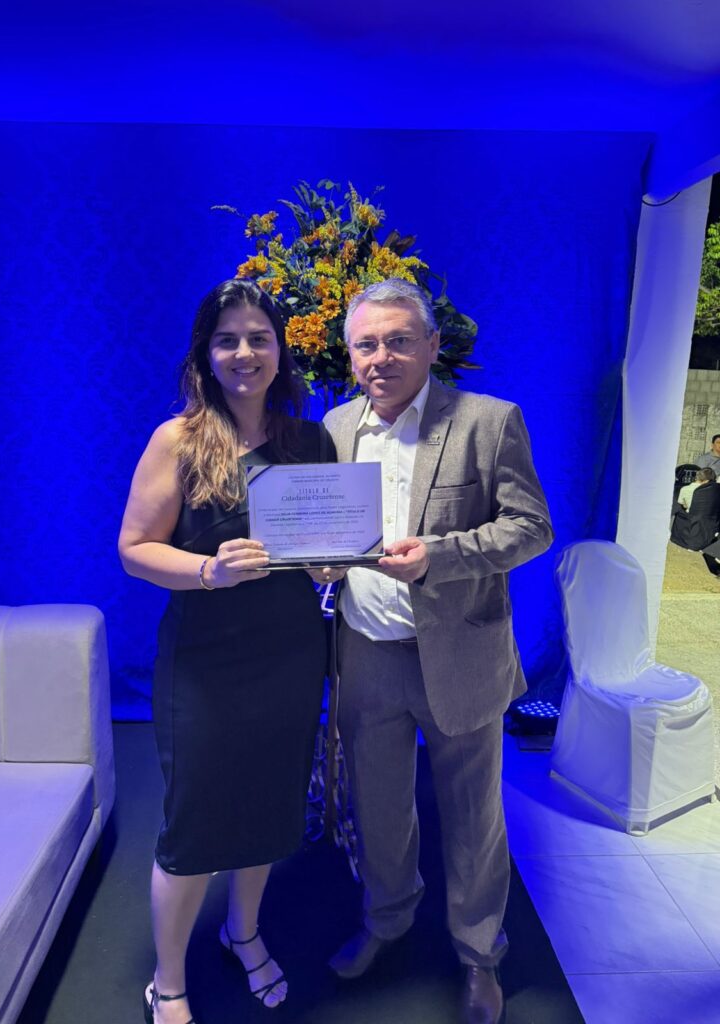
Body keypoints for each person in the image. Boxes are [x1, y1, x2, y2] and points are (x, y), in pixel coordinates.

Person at [320, 278, 553, 1024]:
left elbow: (532, 528)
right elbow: (332, 533)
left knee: (473, 814)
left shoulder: (488, 421)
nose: (380, 357)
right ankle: (387, 920)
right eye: (366, 344)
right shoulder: (336, 427)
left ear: (430, 345)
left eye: (397, 340)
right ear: (350, 355)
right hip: (366, 652)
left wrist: (439, 557)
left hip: (460, 653)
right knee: (379, 807)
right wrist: (320, 563)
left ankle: (480, 953)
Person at [119, 279, 331, 1024]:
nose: (245, 352)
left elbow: (325, 551)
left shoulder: (310, 442)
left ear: (281, 350)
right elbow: (134, 550)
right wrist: (210, 569)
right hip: (205, 664)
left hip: (291, 656)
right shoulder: (177, 440)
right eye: (228, 340)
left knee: (269, 805)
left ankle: (243, 933)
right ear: (205, 354)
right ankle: (169, 980)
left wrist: (332, 564)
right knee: (196, 821)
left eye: (259, 338)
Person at [670, 467, 720, 552]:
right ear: (708, 481)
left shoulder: (685, 489)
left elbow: (682, 504)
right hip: (708, 529)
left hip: (689, 528)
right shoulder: (714, 491)